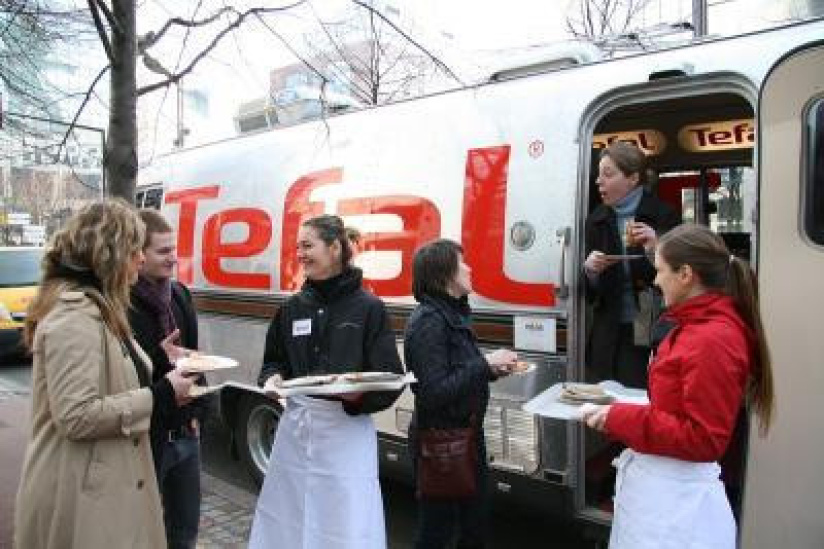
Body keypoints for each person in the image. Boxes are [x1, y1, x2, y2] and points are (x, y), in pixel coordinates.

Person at [14, 199, 195, 548]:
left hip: (100, 489)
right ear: (110, 253)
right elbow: (77, 416)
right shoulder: (74, 316)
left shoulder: (98, 305)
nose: (141, 259)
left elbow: (109, 375)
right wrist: (161, 394)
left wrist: (158, 361)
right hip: (83, 499)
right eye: (133, 250)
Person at [581, 223, 774, 549]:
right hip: (667, 498)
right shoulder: (693, 326)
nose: (655, 281)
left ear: (685, 274)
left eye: (659, 271)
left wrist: (617, 417)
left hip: (676, 511)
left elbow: (703, 438)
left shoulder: (711, 338)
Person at [249, 214, 404, 549]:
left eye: (308, 245)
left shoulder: (369, 308)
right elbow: (273, 360)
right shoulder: (292, 308)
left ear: (335, 248)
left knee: (345, 521)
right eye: (298, 247)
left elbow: (392, 377)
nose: (300, 254)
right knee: (289, 516)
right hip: (296, 430)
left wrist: (359, 399)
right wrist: (273, 377)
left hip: (346, 435)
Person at [404, 238, 517, 549]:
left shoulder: (452, 314)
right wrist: (484, 364)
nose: (468, 268)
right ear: (444, 274)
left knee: (472, 530)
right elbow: (432, 392)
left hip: (463, 437)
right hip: (442, 444)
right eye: (461, 262)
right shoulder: (429, 321)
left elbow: (456, 375)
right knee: (440, 535)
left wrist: (491, 370)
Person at [129, 209, 209, 549]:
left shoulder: (180, 295)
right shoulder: (120, 305)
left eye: (174, 249)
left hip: (186, 435)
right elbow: (123, 381)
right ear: (137, 254)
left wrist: (199, 414)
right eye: (163, 251)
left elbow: (196, 359)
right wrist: (163, 360)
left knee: (184, 531)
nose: (173, 259)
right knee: (143, 533)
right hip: (147, 439)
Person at [583, 141, 680, 388]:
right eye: (598, 175)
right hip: (608, 332)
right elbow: (589, 293)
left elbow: (685, 277)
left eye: (608, 174)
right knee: (605, 404)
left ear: (633, 178)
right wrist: (590, 271)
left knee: (641, 399)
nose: (598, 182)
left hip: (652, 328)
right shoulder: (596, 220)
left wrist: (656, 247)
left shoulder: (665, 215)